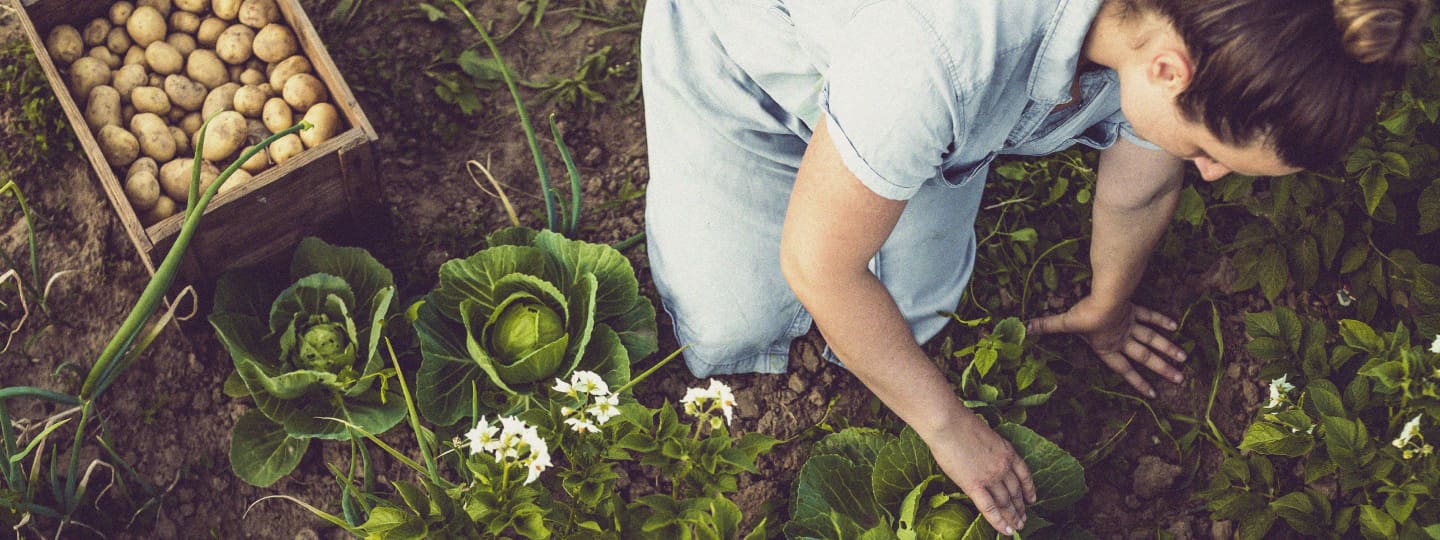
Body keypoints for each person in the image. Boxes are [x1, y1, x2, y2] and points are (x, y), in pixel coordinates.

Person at [640, 0, 1429, 534]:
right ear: (1168, 71)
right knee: (731, 332)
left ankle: (887, 168)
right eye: (1208, 154)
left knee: (910, 322)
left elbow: (1142, 175)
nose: (1210, 178)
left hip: (918, 116)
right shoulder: (939, 52)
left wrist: (1108, 305)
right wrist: (951, 430)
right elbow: (819, 268)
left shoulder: (1190, 28)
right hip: (755, 69)